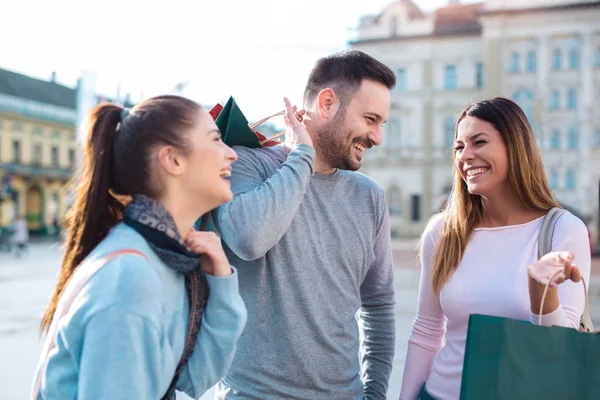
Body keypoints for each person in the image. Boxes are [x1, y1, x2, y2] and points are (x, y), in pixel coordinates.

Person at [32, 95, 247, 399]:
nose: (231, 155)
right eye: (215, 140)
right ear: (172, 160)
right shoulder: (131, 278)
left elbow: (193, 379)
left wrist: (222, 284)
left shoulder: (161, 257)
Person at [212, 50, 397, 400]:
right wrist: (301, 157)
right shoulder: (247, 164)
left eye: (382, 124)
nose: (377, 137)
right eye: (370, 119)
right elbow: (249, 238)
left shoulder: (369, 197)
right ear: (327, 103)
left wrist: (374, 394)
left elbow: (379, 305)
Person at [399, 98, 591, 400]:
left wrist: (542, 292)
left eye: (479, 142)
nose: (466, 156)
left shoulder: (563, 230)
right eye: (459, 147)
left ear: (515, 147)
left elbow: (560, 349)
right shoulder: (443, 231)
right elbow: (426, 331)